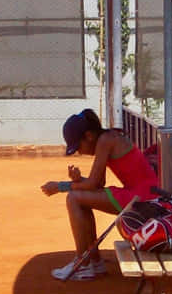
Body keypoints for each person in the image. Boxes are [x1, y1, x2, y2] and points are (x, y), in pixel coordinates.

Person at [40, 108, 157, 281]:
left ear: (88, 136)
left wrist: (60, 186)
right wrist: (79, 180)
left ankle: (82, 264)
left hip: (141, 199)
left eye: (78, 147)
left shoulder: (105, 140)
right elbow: (98, 183)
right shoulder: (107, 138)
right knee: (79, 197)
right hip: (140, 195)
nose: (79, 152)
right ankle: (94, 262)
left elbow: (94, 184)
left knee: (73, 197)